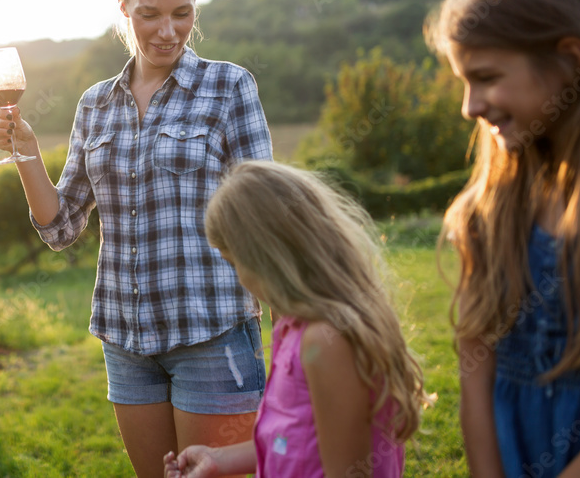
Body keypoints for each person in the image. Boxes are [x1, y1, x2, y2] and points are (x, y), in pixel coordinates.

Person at [0, 0, 272, 477]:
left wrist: (290, 330)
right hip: (126, 340)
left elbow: (268, 220)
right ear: (123, 6)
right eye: (150, 14)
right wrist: (24, 149)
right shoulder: (95, 103)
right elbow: (61, 224)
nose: (168, 30)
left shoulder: (229, 87)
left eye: (182, 13)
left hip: (212, 334)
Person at [424, 0, 580, 477]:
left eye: (487, 78)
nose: (469, 107)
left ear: (571, 59)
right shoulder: (491, 208)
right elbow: (475, 364)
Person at [165, 160, 427, 477]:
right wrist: (217, 458)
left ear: (269, 257)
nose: (239, 278)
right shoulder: (295, 328)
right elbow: (288, 441)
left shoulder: (327, 341)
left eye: (234, 263)